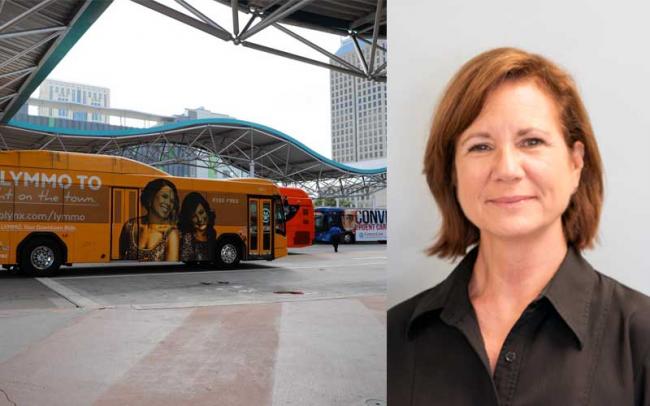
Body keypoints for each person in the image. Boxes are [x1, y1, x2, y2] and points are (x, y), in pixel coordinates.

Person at [388, 48, 650, 405]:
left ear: (575, 163)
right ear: (452, 174)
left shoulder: (640, 336)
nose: (507, 169)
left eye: (532, 142)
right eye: (480, 146)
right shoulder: (395, 336)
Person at [119, 178, 180, 261]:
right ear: (151, 196)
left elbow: (171, 270)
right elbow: (121, 259)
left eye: (172, 201)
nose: (168, 203)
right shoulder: (130, 226)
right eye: (164, 196)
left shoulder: (171, 234)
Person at [178, 192, 216, 262]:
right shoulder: (185, 237)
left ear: (207, 211)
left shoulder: (212, 234)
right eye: (194, 216)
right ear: (188, 219)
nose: (200, 219)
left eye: (201, 212)